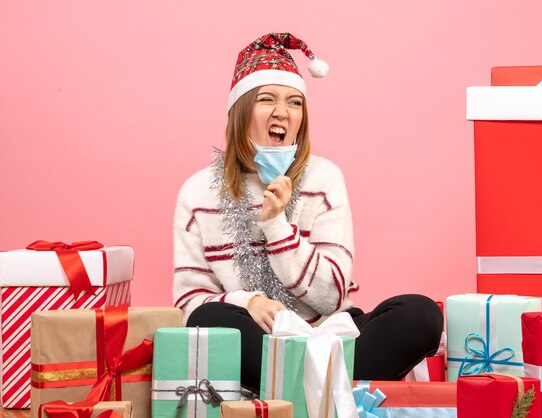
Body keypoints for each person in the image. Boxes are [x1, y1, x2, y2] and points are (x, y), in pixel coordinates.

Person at [173, 33, 443, 393]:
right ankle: (328, 392)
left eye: (295, 102)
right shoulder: (197, 191)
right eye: (266, 99)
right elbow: (190, 304)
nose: (282, 112)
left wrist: (276, 224)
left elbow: (331, 296)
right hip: (261, 342)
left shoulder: (324, 178)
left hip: (332, 335)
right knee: (210, 320)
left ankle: (290, 391)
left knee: (420, 314)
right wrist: (247, 301)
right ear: (240, 112)